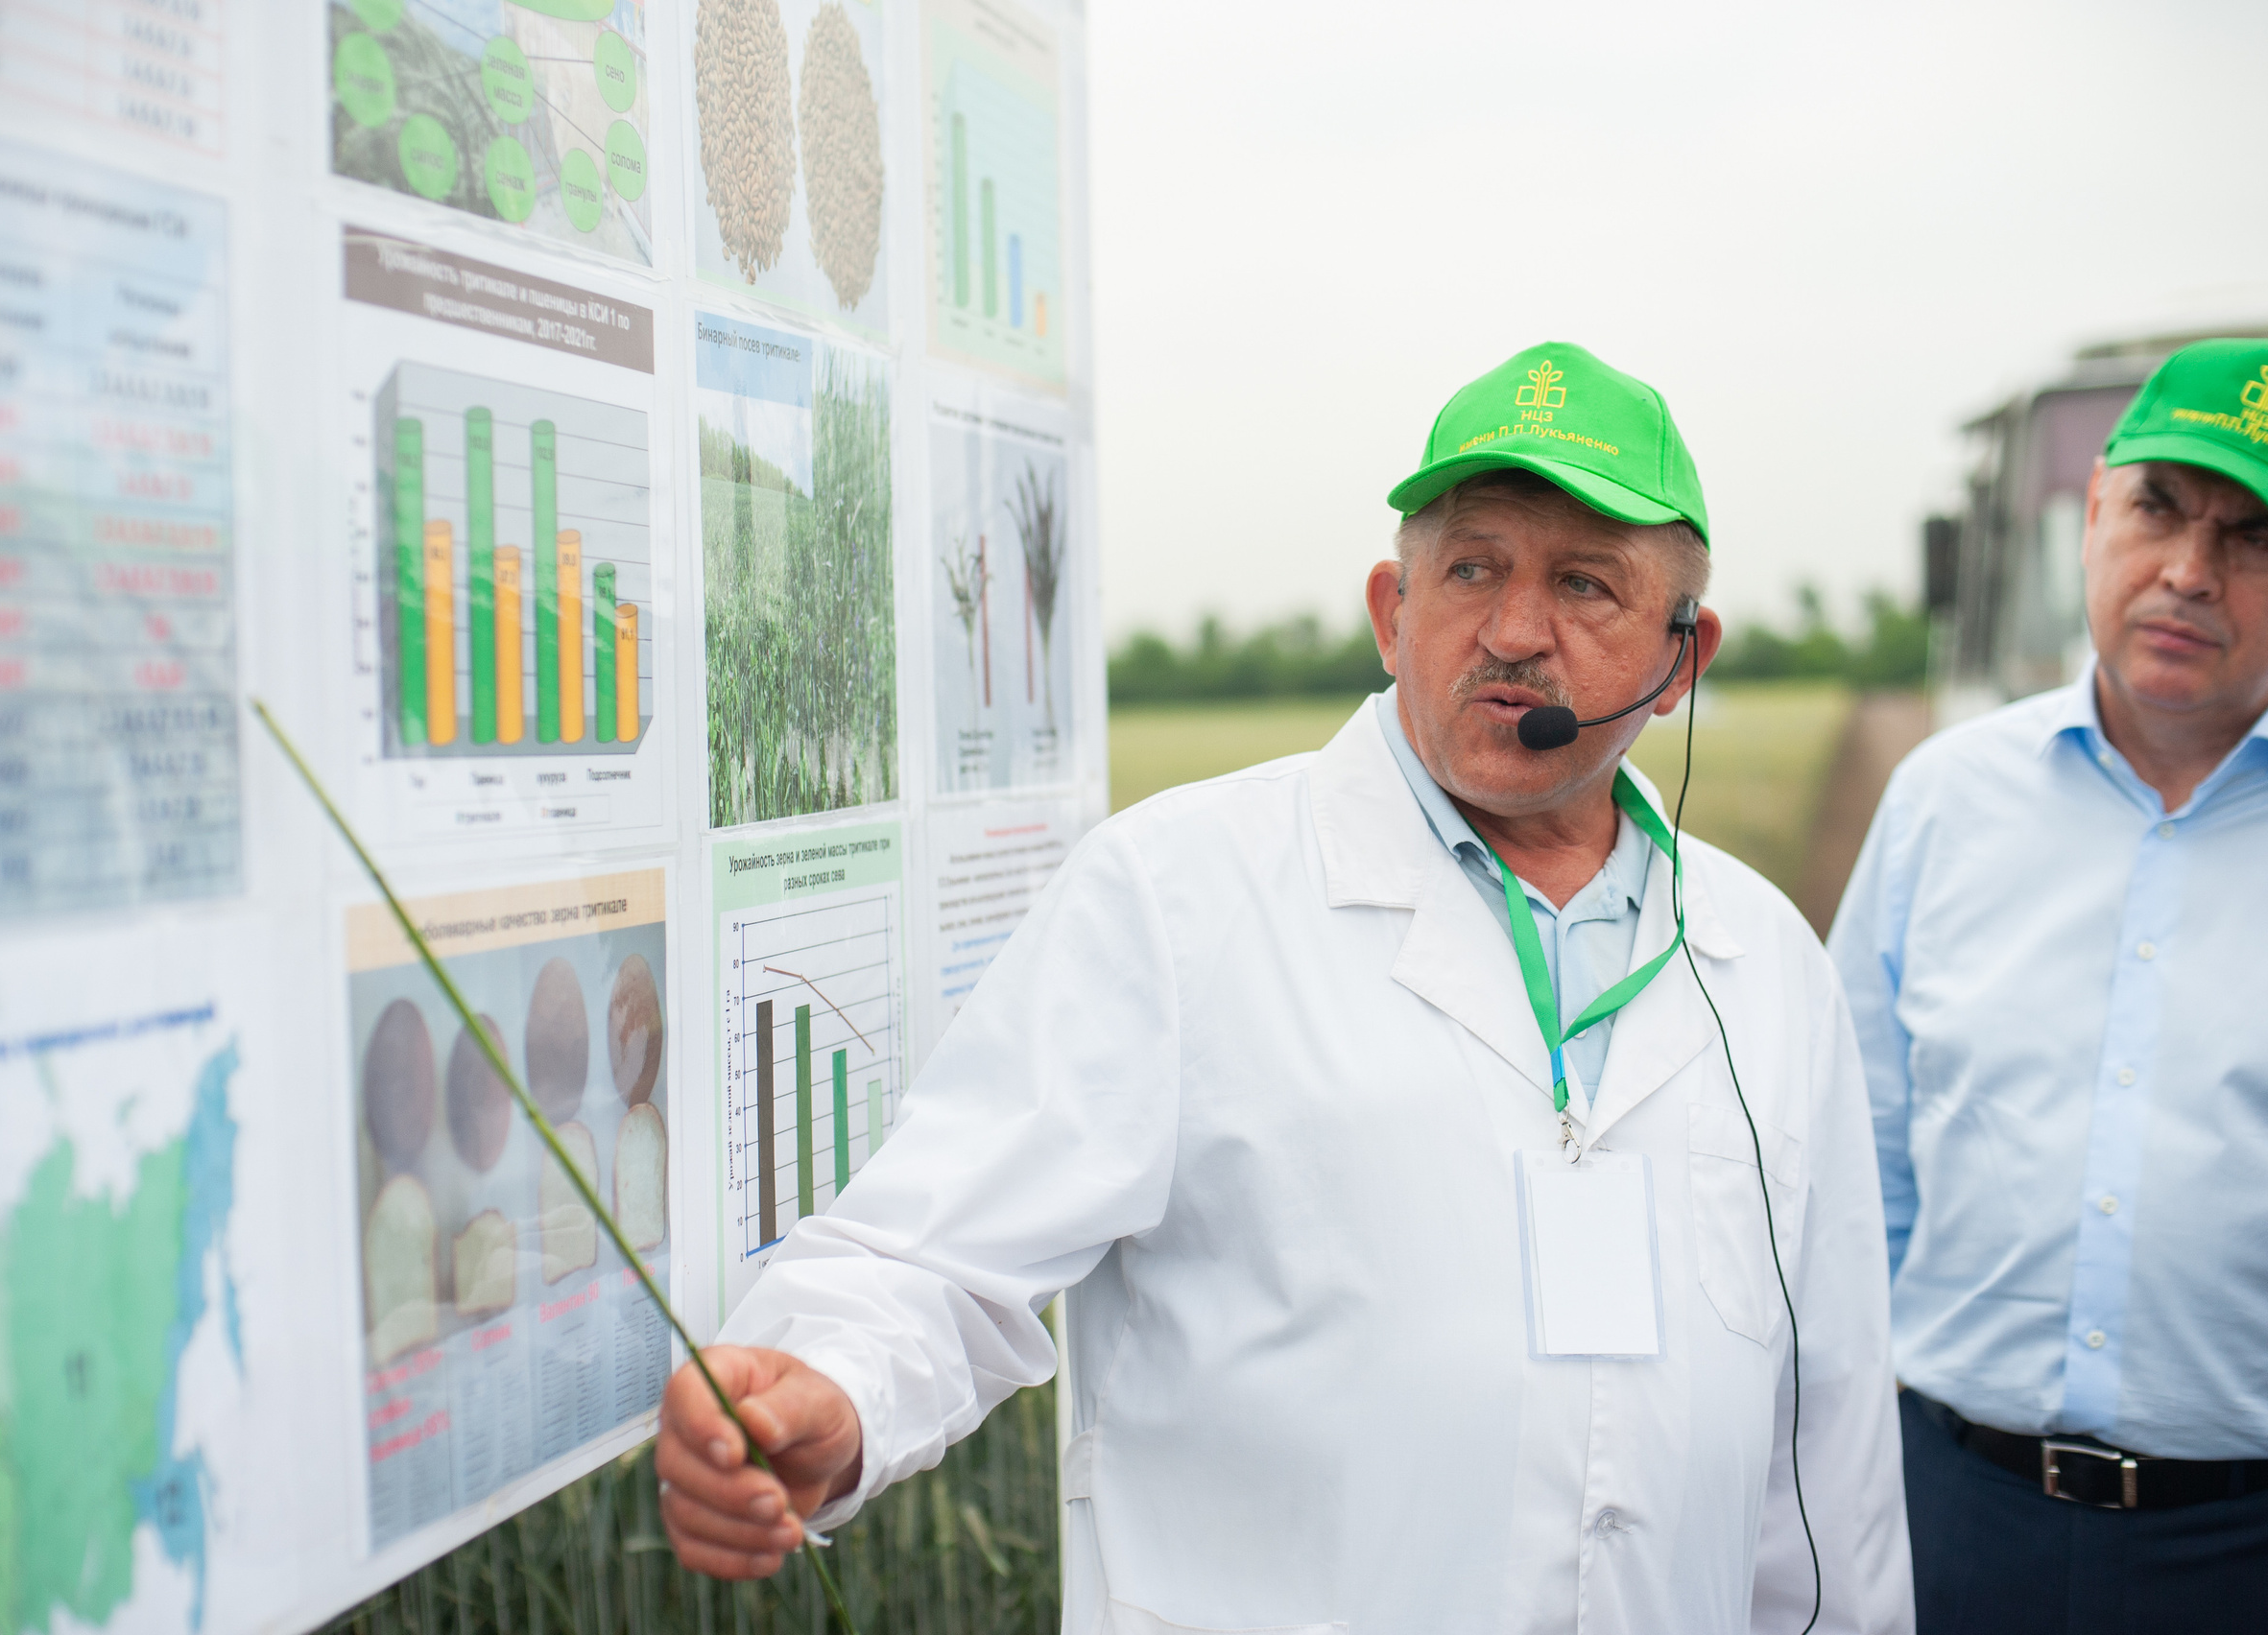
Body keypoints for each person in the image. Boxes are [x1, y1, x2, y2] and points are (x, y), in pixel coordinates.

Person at [663, 343, 1912, 1633]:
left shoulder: (1766, 963)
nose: (1512, 632)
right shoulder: (1174, 895)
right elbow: (930, 1253)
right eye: (1471, 569)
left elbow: (1827, 1453)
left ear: (1682, 657)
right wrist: (828, 1388)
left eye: (1585, 584)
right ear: (1390, 612)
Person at [1829, 337, 2268, 1633]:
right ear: (2089, 523)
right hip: (1955, 1518)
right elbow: (1855, 1166)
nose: (2189, 571)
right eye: (2157, 510)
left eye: (2252, 536)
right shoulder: (1942, 804)